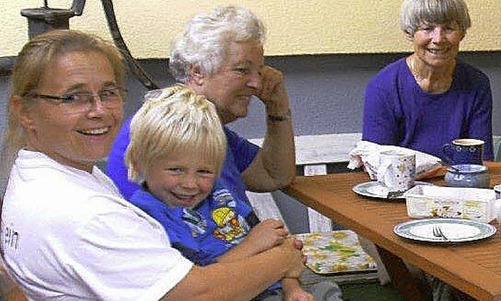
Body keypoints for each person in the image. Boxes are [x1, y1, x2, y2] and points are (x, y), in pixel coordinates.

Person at [0, 29, 305, 301]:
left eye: (108, 93)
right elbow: (197, 293)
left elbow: (273, 174)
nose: (99, 111)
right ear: (24, 112)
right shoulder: (83, 214)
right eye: (72, 98)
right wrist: (281, 260)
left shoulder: (45, 172)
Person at [124, 85, 341, 301]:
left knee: (327, 291)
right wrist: (252, 245)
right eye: (176, 170)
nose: (190, 184)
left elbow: (277, 246)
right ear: (139, 163)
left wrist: (292, 289)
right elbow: (196, 285)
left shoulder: (220, 195)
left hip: (270, 289)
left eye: (204, 171)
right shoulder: (148, 217)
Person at [106, 5, 295, 208]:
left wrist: (277, 109)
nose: (256, 83)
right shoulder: (168, 131)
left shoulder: (207, 127)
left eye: (259, 71)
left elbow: (272, 176)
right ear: (198, 72)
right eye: (242, 70)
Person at [361, 0, 493, 164]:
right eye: (427, 28)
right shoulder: (383, 86)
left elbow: (482, 161)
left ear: (462, 33)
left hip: (460, 186)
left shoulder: (477, 84)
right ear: (410, 33)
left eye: (449, 28)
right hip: (402, 186)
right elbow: (377, 162)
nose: (438, 39)